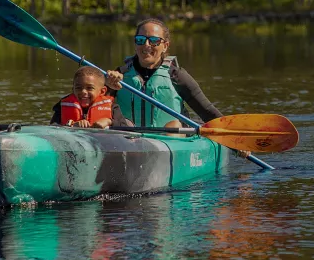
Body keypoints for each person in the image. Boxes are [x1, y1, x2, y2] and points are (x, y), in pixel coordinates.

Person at [104, 18, 247, 157]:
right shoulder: (118, 75)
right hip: (131, 143)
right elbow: (94, 104)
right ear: (135, 44)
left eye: (154, 41)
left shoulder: (177, 76)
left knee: (173, 125)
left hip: (172, 144)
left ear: (165, 45)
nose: (146, 45)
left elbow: (207, 112)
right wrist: (106, 87)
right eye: (141, 40)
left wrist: (234, 139)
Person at [50, 66, 115, 128]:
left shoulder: (112, 107)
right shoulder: (61, 106)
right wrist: (72, 126)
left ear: (102, 91)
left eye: (89, 88)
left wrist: (108, 121)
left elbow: (123, 126)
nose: (83, 91)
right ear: (73, 90)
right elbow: (53, 128)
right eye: (78, 88)